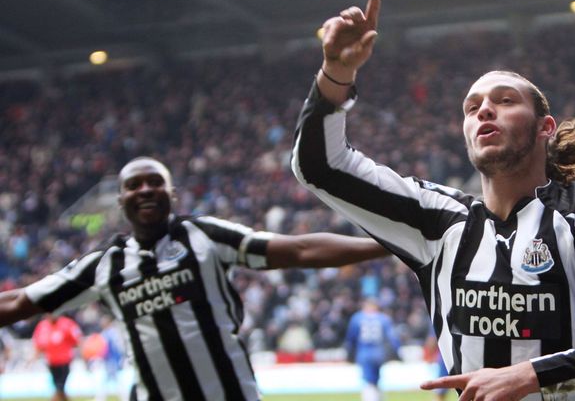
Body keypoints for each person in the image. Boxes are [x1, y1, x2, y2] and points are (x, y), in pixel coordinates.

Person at [291, 0, 575, 401]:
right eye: (471, 105)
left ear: (544, 128)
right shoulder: (436, 221)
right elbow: (320, 167)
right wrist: (336, 73)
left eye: (505, 100)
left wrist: (530, 376)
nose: (483, 110)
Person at [0, 156, 390, 401]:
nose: (145, 189)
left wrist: (389, 245)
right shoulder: (104, 265)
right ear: (120, 201)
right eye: (134, 185)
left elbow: (299, 249)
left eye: (155, 181)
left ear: (171, 191)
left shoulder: (204, 236)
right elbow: (19, 302)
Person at [345, 298, 401, 401]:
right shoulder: (383, 318)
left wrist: (349, 355)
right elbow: (393, 338)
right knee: (375, 380)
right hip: (379, 353)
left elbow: (350, 339)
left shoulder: (357, 318)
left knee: (368, 381)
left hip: (364, 353)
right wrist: (397, 353)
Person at [32, 314, 82, 401]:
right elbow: (38, 344)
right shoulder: (42, 326)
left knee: (59, 387)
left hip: (64, 362)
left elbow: (77, 339)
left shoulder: (67, 324)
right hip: (51, 362)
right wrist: (34, 358)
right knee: (60, 388)